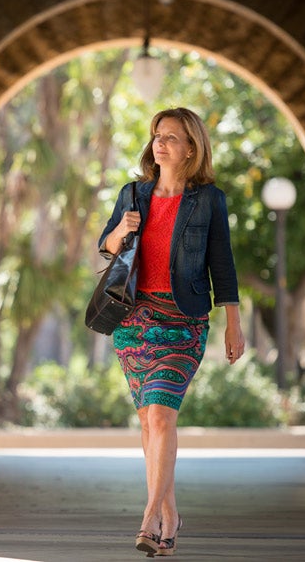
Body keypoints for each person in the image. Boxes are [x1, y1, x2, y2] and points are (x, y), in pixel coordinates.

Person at [97, 107, 245, 557]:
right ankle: (170, 514)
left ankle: (148, 516)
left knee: (161, 416)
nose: (161, 143)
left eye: (173, 137)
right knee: (148, 422)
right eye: (157, 136)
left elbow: (223, 264)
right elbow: (105, 247)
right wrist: (121, 228)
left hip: (184, 321)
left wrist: (232, 323)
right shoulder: (133, 194)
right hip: (134, 318)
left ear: (191, 148)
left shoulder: (208, 200)